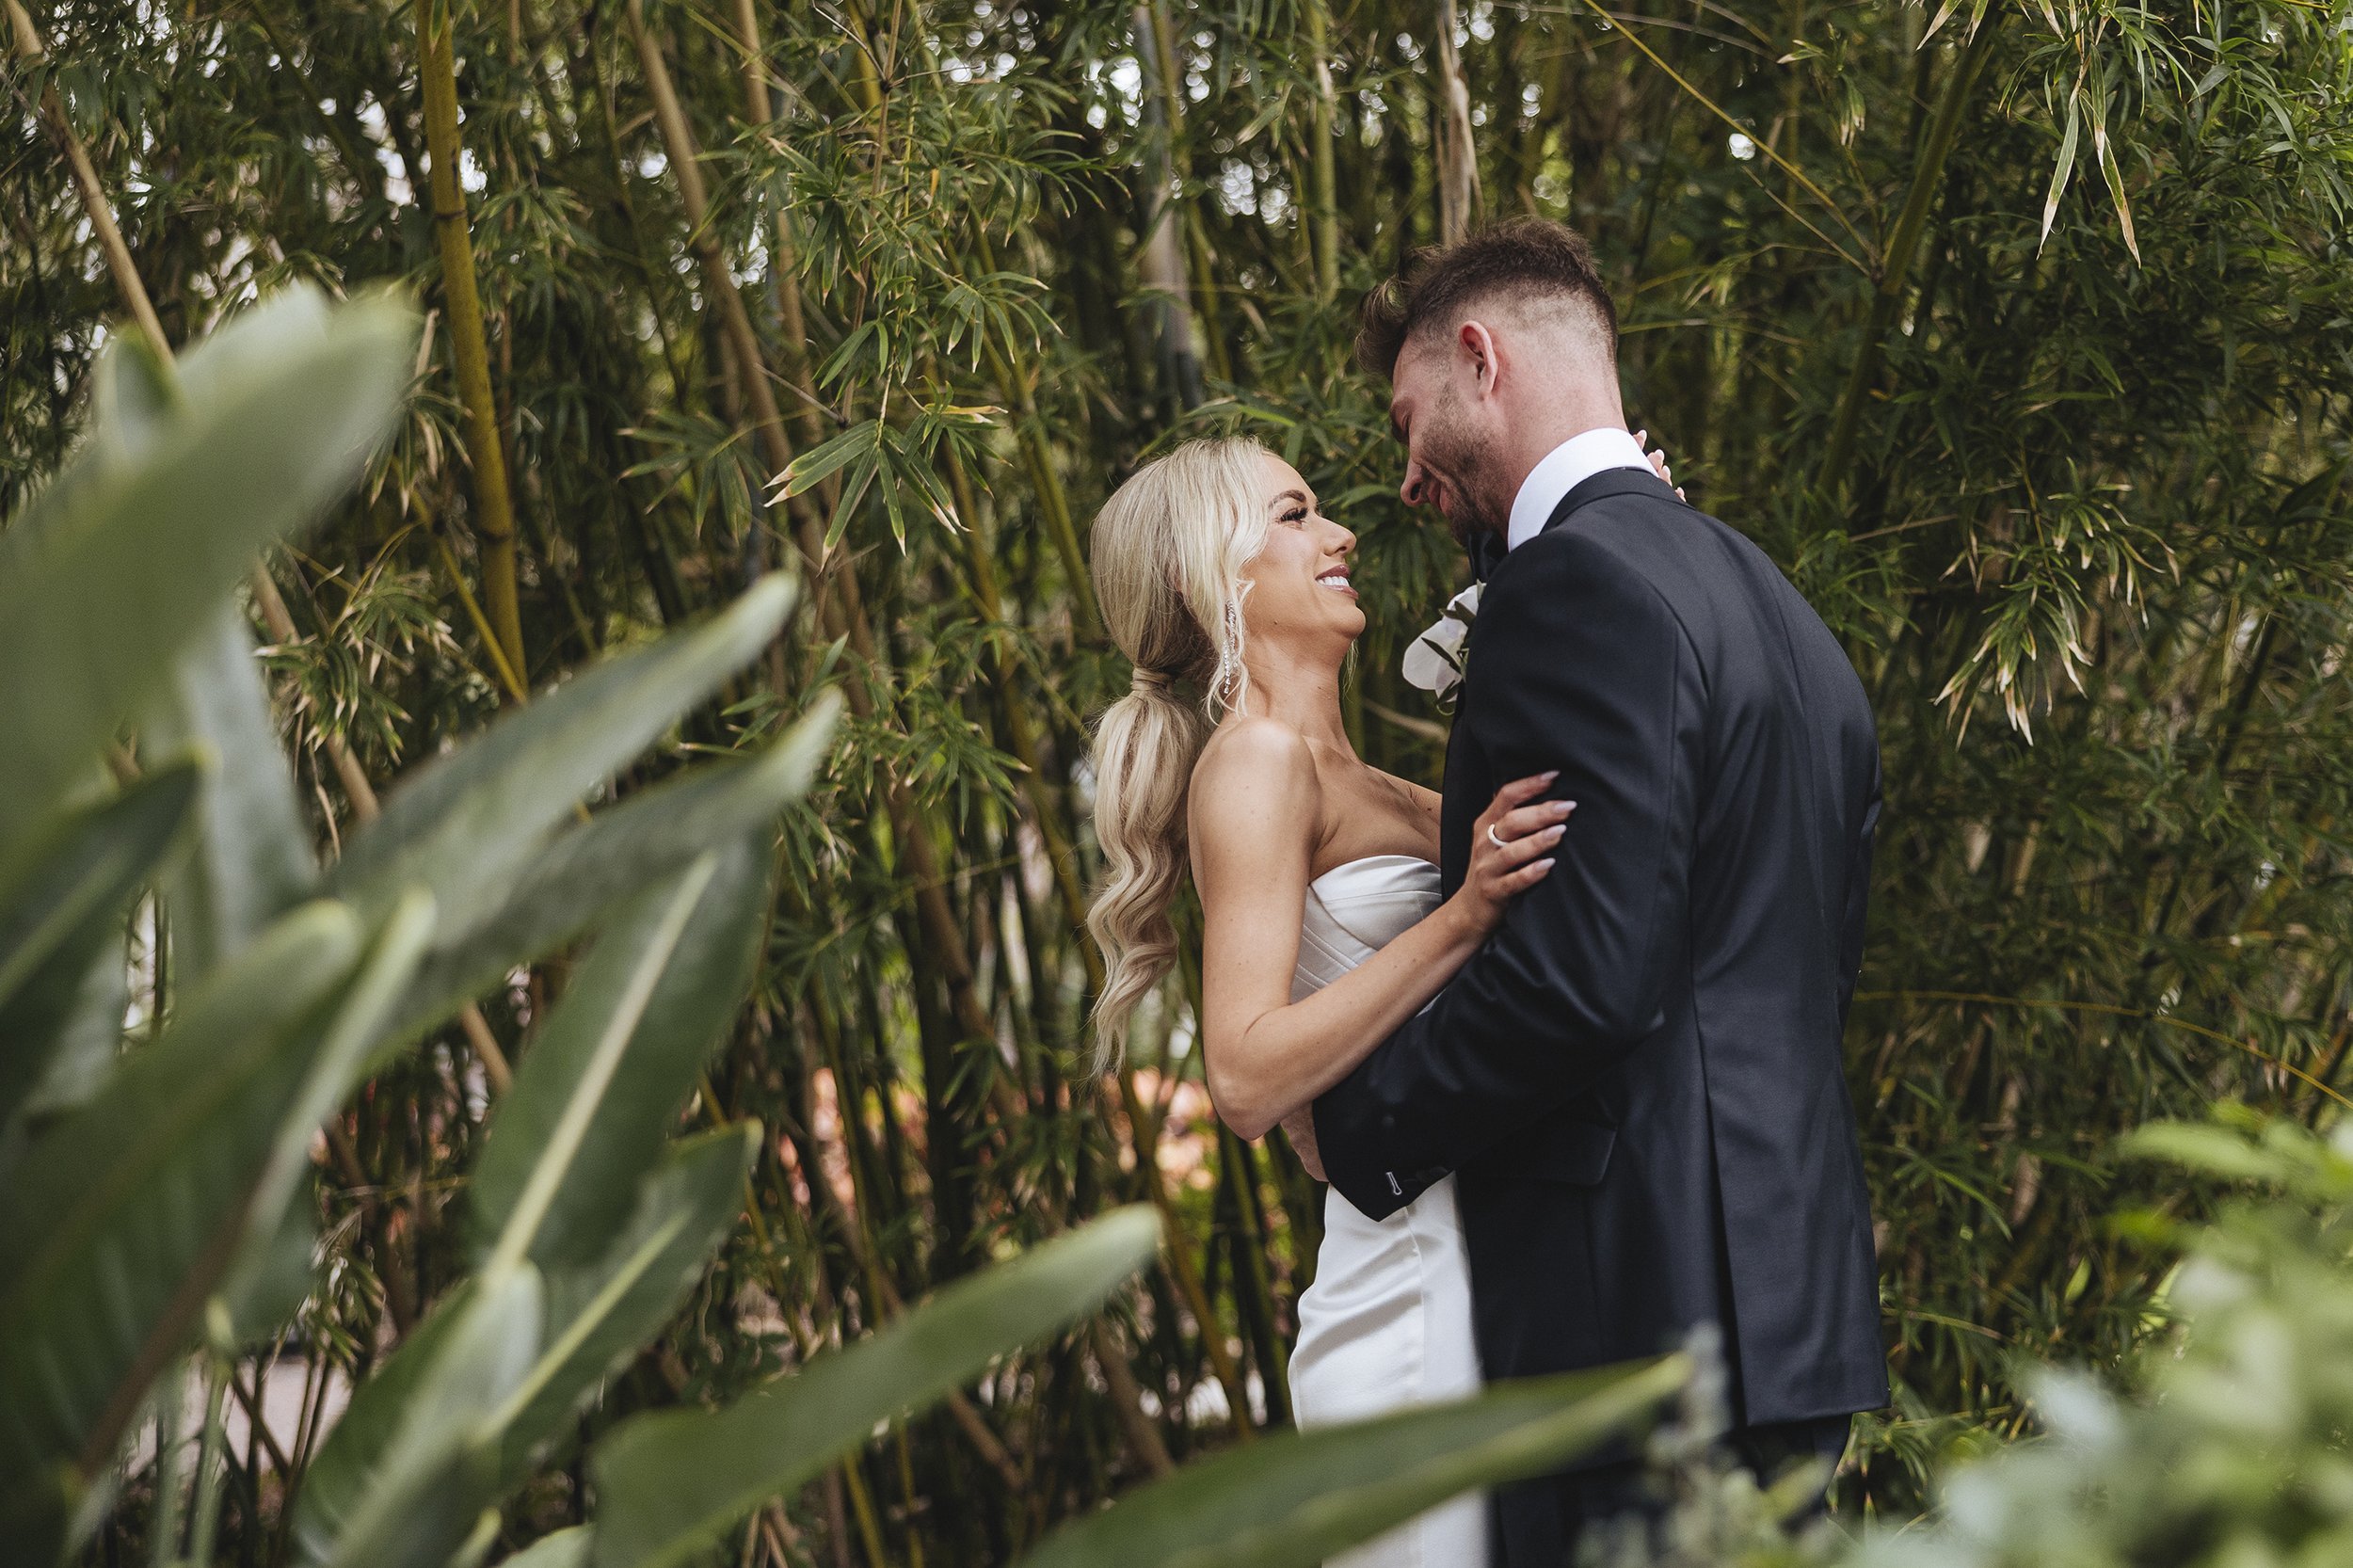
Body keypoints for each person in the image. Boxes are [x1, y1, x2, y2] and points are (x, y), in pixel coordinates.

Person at [1308, 218, 1887, 1564]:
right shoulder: (1778, 606)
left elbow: (1582, 975)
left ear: (1479, 358)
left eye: (1409, 420)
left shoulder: (1571, 586)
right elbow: (1805, 959)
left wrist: (1358, 1134)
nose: (1405, 475)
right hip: (1791, 1307)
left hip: (1630, 1314)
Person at [1085, 432, 1586, 1567]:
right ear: (1202, 574)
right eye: (1295, 514)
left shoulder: (1358, 775)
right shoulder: (1256, 763)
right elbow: (1246, 1074)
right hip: (1408, 1282)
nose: (1341, 533)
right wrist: (1459, 915)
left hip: (1479, 1250)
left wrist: (1629, 528)